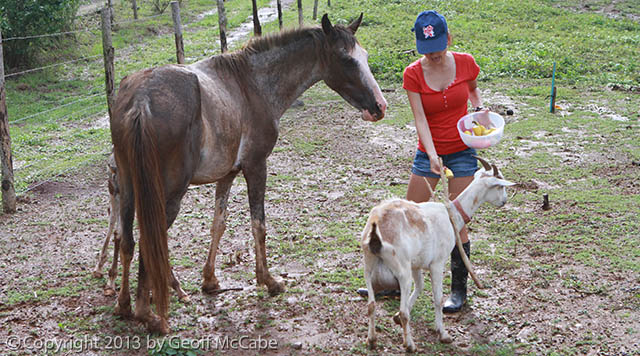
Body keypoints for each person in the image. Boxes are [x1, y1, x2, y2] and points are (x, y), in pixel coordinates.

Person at [358, 10, 489, 313]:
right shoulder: (412, 74)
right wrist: (431, 154)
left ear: (449, 40)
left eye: (439, 49)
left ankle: (458, 291)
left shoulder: (466, 63)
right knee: (406, 215)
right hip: (428, 150)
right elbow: (420, 118)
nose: (434, 56)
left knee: (457, 220)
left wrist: (479, 107)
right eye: (427, 52)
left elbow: (471, 89)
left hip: (463, 149)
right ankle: (392, 281)